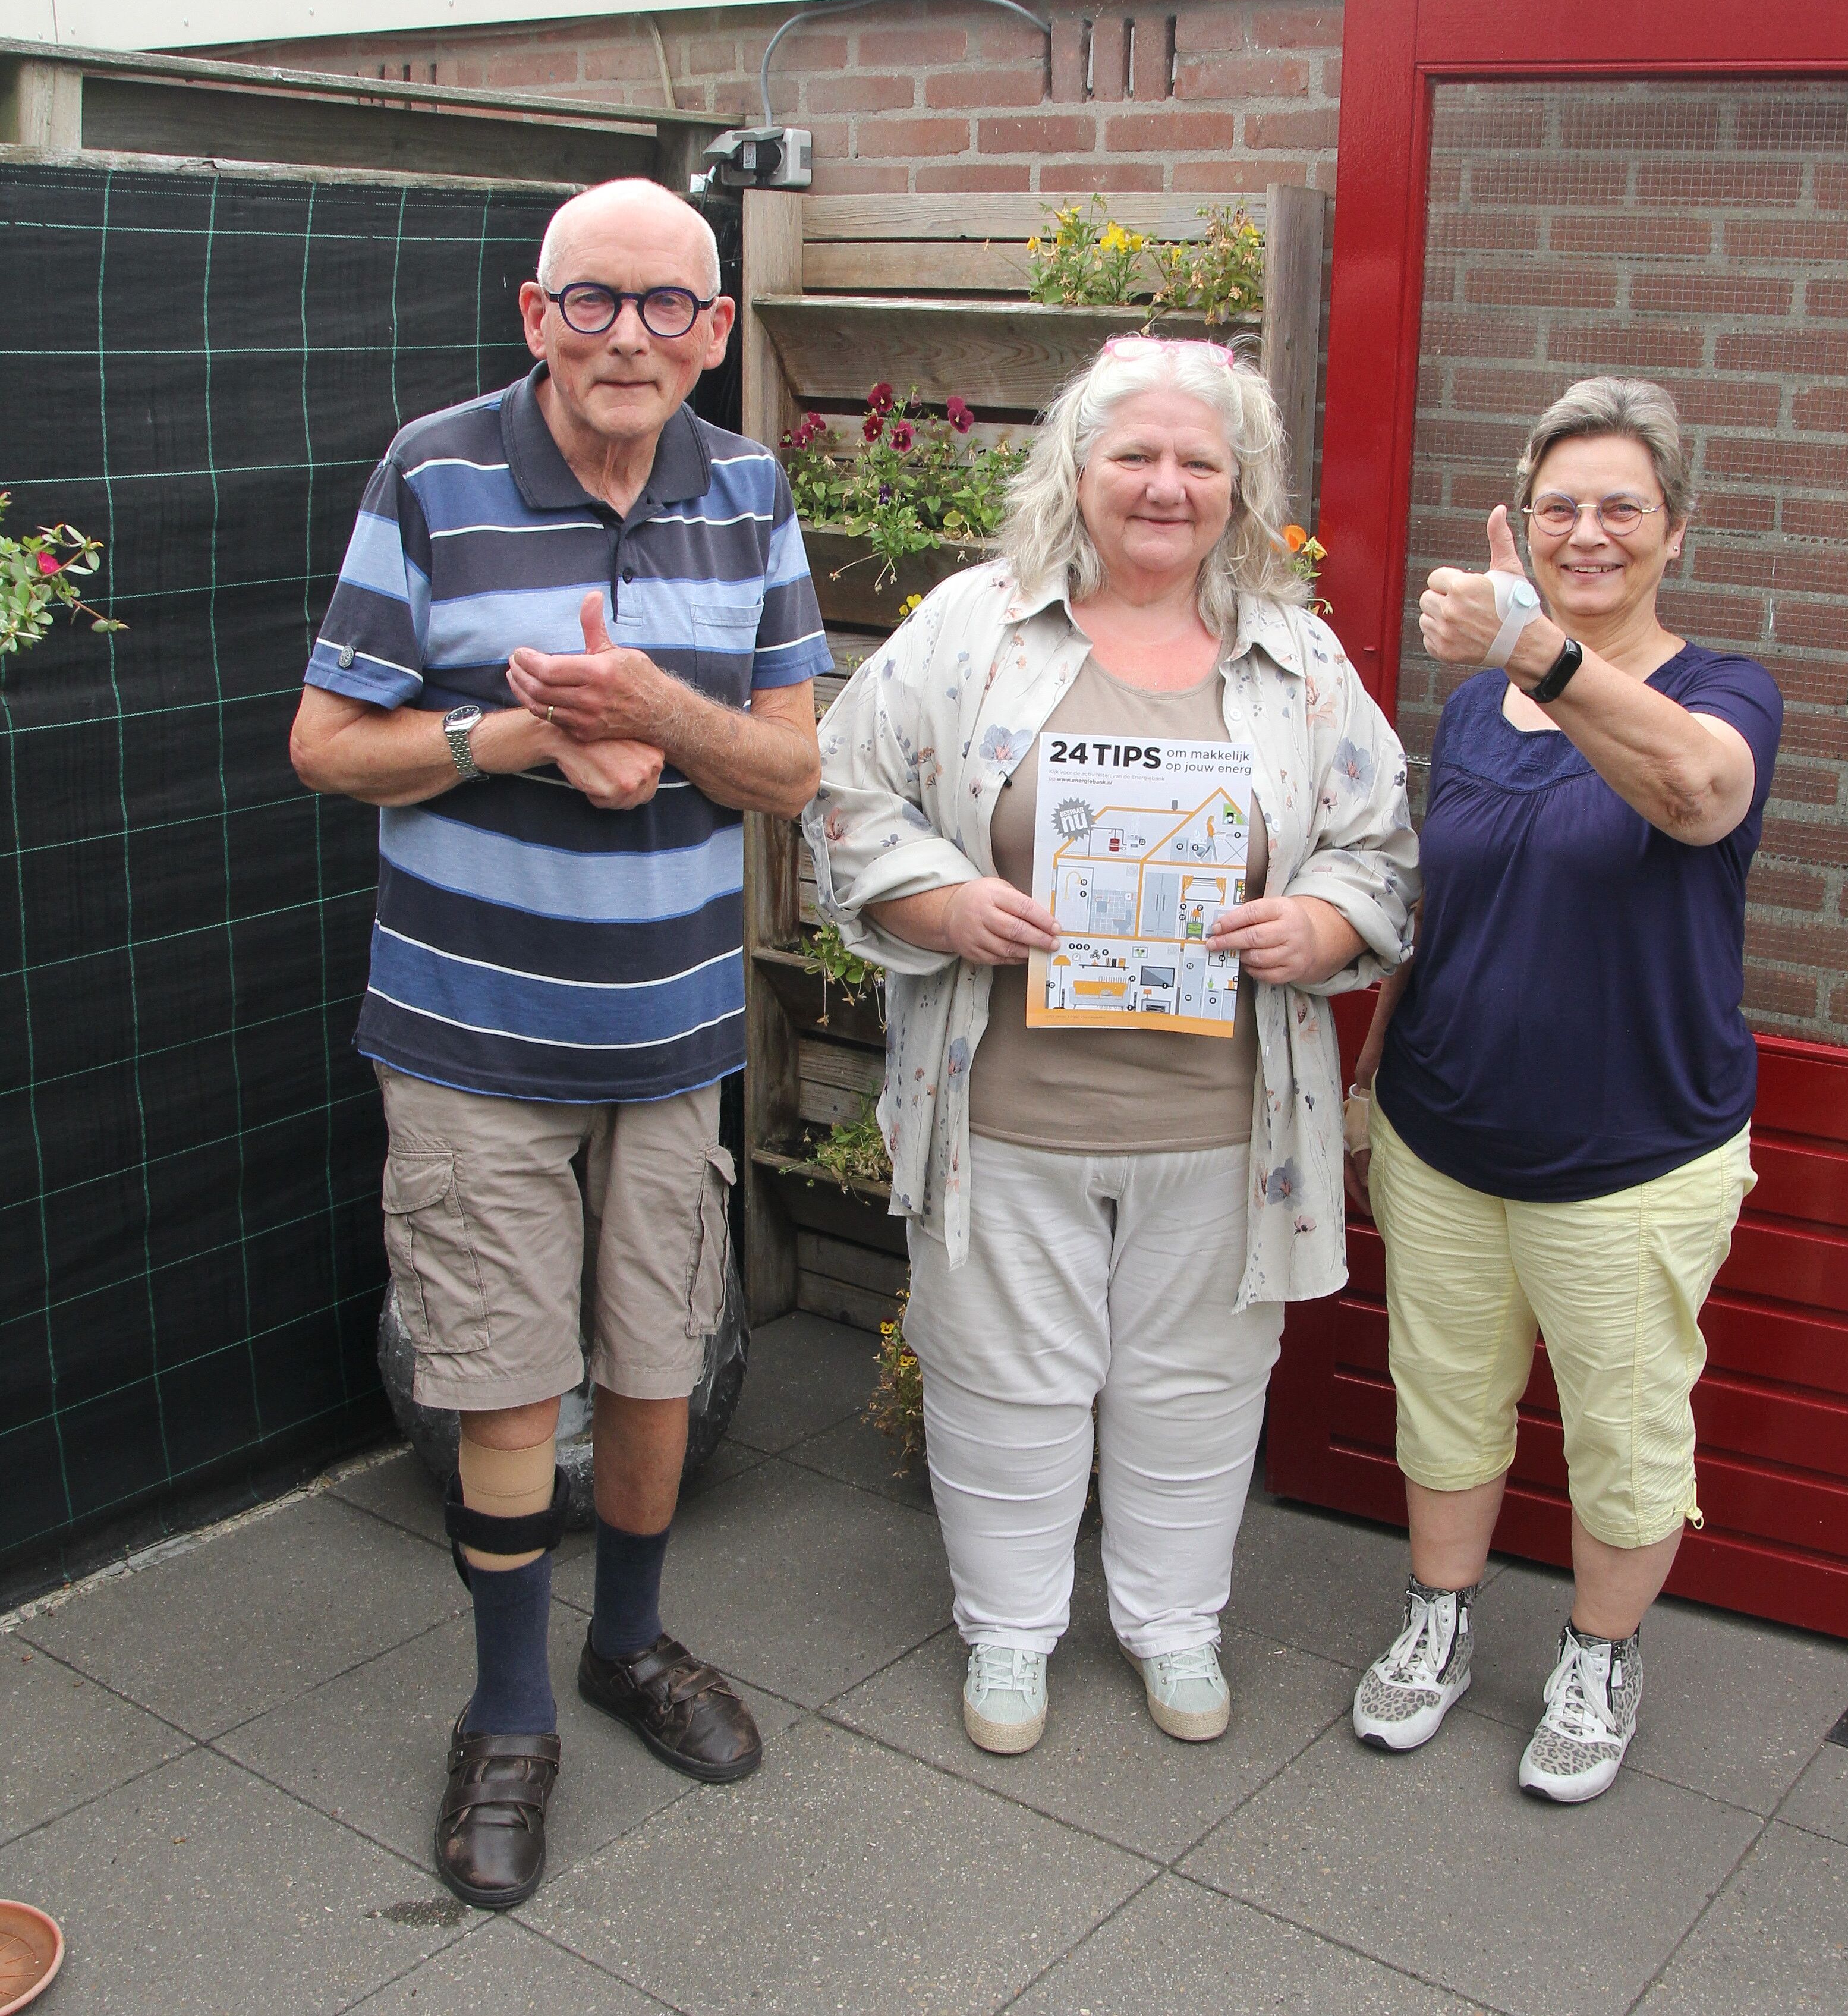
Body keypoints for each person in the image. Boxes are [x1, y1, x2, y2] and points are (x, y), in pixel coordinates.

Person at [289, 178, 829, 1907]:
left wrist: (655, 712)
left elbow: (793, 766)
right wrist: (517, 737)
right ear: (536, 316)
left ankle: (630, 1645)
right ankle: (511, 1708)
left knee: (659, 1363)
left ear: (716, 332)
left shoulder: (749, 489)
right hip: (473, 1033)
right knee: (508, 1379)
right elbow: (325, 742)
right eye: (591, 300)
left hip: (671, 1032)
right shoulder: (433, 471)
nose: (627, 337)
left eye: (668, 306)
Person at [805, 337, 1418, 1756]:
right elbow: (846, 791)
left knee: (1197, 1389)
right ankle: (1010, 1632)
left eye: (1200, 460)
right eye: (1135, 454)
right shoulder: (974, 630)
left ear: (1238, 486)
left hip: (1223, 1125)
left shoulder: (1296, 658)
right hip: (1005, 1109)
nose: (1165, 485)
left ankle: (1174, 1623)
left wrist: (1320, 923)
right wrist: (942, 902)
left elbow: (1379, 841)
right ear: (1076, 470)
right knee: (999, 1382)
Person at [1343, 376, 1782, 1803]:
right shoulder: (1480, 707)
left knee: (1626, 1430)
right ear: (1523, 523)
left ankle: (1599, 1656)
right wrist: (1371, 1080)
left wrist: (1538, 647)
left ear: (1676, 529)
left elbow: (1696, 797)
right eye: (1559, 507)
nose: (1588, 532)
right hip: (1445, 1133)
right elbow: (1441, 904)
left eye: (1621, 508)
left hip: (1632, 1157)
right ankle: (1439, 1618)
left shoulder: (1723, 693)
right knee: (1444, 1401)